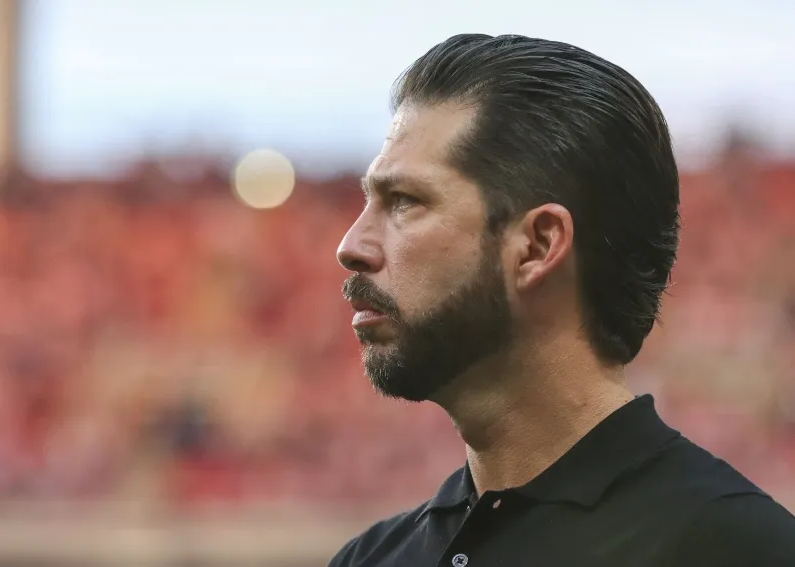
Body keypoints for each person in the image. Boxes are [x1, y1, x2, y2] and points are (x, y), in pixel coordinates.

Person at [331, 34, 795, 566]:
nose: (351, 246)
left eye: (404, 201)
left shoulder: (739, 548)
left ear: (538, 245)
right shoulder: (371, 558)